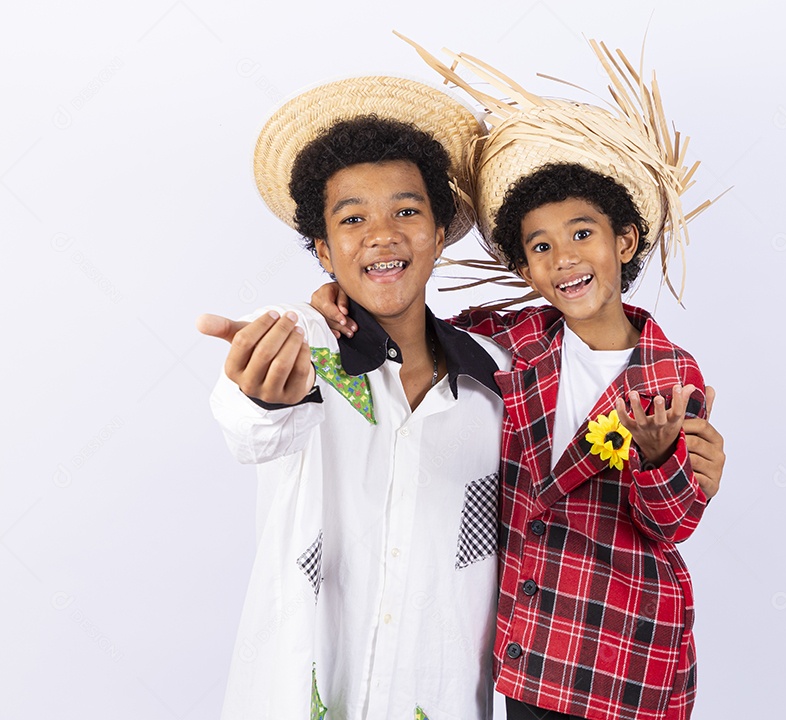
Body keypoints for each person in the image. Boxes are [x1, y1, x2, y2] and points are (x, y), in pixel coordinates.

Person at [311, 40, 726, 720]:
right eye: (541, 247)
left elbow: (674, 523)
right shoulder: (510, 342)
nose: (564, 258)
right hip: (534, 649)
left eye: (582, 234)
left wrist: (658, 460)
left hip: (629, 650)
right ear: (525, 272)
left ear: (624, 242)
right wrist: (336, 297)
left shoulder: (670, 372)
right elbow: (414, 326)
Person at [199, 76, 512, 720]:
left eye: (406, 211)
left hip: (445, 697)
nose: (381, 234)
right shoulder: (304, 342)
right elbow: (251, 428)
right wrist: (262, 395)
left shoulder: (497, 385)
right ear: (323, 251)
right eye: (351, 218)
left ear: (438, 235)